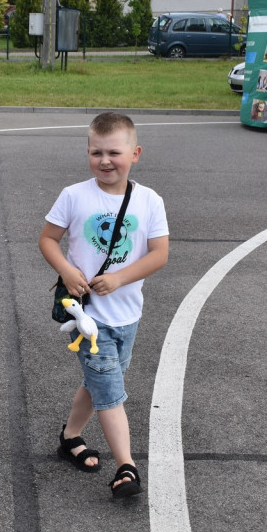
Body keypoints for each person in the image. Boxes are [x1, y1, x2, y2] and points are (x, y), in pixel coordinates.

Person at [39, 112, 169, 499]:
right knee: (110, 390)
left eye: (115, 152)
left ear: (136, 153)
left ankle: (70, 436)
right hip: (88, 318)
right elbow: (47, 239)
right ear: (88, 152)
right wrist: (67, 269)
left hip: (128, 314)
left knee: (98, 382)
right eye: (96, 152)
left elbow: (159, 254)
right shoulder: (74, 195)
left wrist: (119, 278)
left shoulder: (149, 200)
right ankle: (127, 467)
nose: (105, 160)